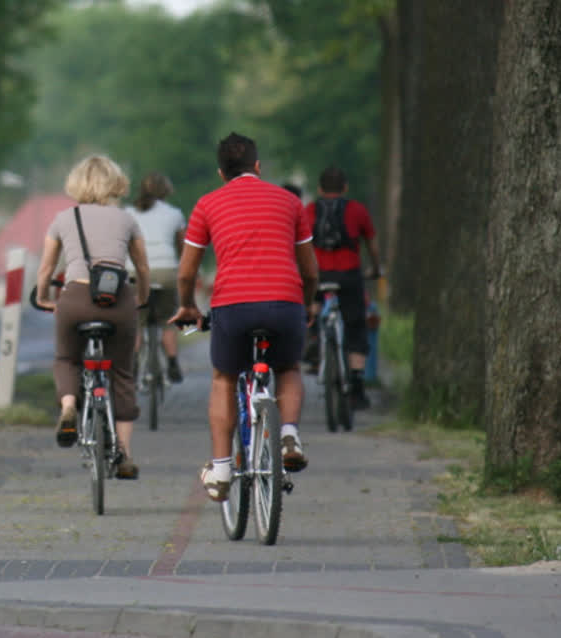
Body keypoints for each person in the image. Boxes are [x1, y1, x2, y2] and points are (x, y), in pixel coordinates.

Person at [169, 133, 318, 501]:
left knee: (223, 377)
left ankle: (220, 469)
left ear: (221, 173)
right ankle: (289, 435)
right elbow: (310, 270)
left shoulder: (207, 204)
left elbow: (186, 273)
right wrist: (308, 304)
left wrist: (188, 305)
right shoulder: (289, 202)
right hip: (285, 304)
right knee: (288, 369)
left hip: (232, 307)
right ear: (257, 166)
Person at [34, 154, 149, 480]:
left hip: (75, 299)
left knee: (67, 359)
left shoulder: (61, 219)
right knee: (123, 373)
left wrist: (43, 296)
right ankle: (124, 455)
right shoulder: (127, 219)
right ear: (115, 183)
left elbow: (46, 268)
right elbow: (141, 266)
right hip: (118, 301)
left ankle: (69, 404)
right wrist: (140, 298)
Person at [306, 166, 382, 409]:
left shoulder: (310, 210)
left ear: (319, 189)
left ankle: (313, 338)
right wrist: (376, 269)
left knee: (312, 303)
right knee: (356, 326)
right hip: (349, 276)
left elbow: (300, 244)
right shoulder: (357, 210)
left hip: (318, 274)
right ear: (345, 188)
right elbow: (371, 242)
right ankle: (357, 389)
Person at [125, 172, 187, 383]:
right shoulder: (175, 214)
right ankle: (172, 362)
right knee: (168, 320)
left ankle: (132, 362)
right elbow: (183, 249)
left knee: (136, 321)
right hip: (166, 271)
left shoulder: (128, 213)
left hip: (136, 272)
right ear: (166, 190)